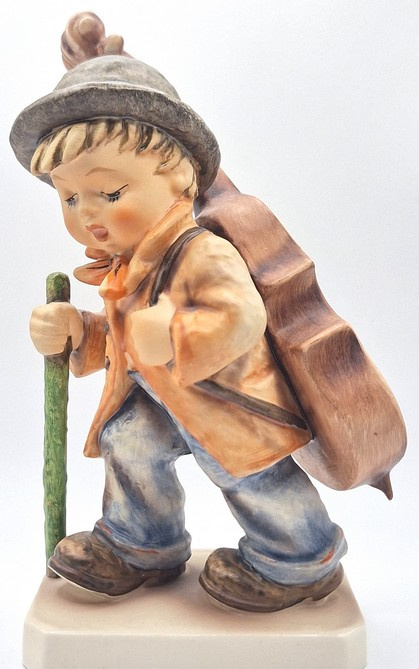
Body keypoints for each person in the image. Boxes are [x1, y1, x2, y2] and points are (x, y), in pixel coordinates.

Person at [10, 53, 348, 612]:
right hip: (163, 397)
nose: (86, 214)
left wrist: (176, 335)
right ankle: (141, 544)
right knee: (129, 440)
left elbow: (240, 317)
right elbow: (125, 342)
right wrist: (79, 333)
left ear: (180, 180)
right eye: (69, 197)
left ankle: (299, 558)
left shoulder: (202, 252)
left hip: (230, 404)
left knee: (250, 475)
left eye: (109, 194)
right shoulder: (128, 264)